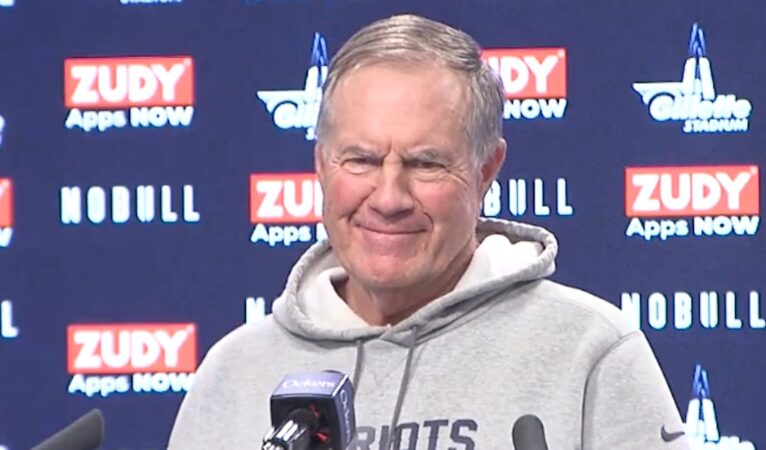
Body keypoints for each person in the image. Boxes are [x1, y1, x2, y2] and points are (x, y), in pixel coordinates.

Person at [168, 14, 688, 449]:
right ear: (322, 166)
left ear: (486, 170)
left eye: (425, 164)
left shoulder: (590, 351)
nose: (390, 197)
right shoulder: (232, 374)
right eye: (362, 160)